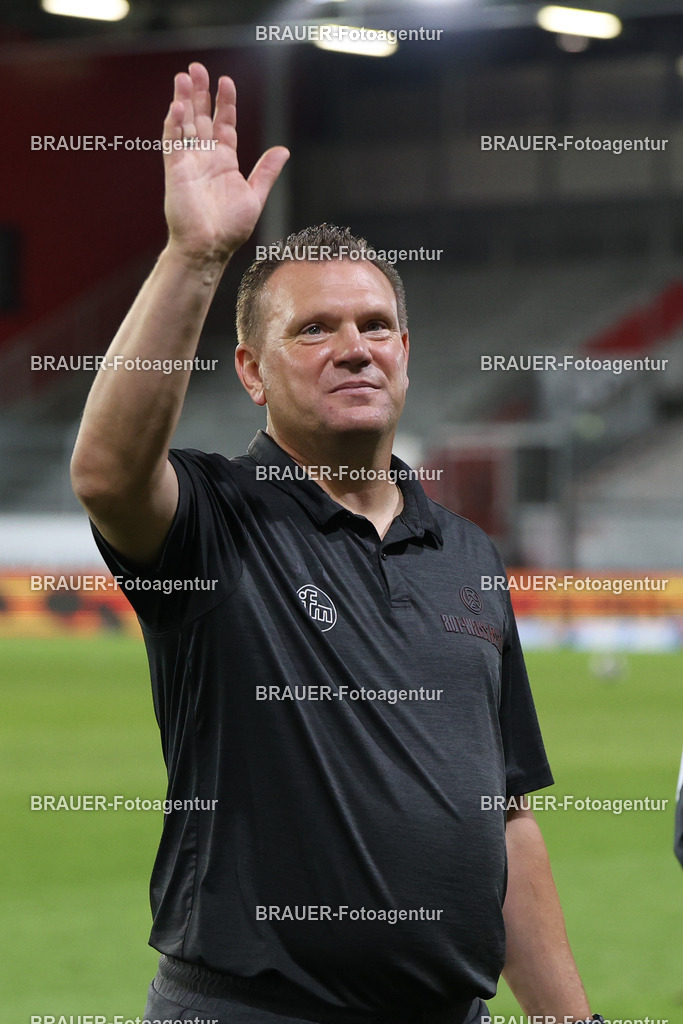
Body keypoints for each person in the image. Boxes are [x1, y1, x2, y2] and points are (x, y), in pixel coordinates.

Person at [71, 62, 603, 1024]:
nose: (355, 346)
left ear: (406, 351)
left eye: (376, 325)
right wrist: (195, 256)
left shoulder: (469, 556)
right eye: (313, 329)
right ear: (252, 371)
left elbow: (508, 815)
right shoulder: (215, 519)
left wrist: (572, 1020)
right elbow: (107, 472)